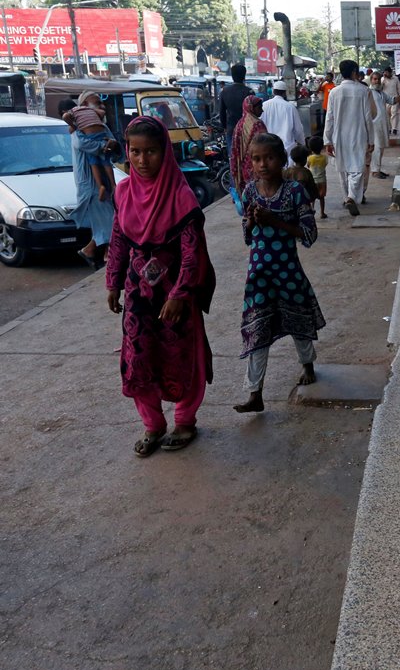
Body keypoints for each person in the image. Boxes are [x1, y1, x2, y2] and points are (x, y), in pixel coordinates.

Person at [105, 116, 216, 456]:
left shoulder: (181, 196)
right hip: (139, 294)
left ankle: (185, 420)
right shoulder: (123, 192)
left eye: (150, 151)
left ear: (164, 152)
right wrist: (113, 282)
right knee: (138, 357)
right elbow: (119, 239)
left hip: (175, 296)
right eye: (135, 152)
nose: (142, 160)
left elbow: (191, 252)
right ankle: (153, 425)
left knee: (182, 356)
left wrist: (181, 293)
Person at [234, 133, 325, 414]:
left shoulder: (295, 191)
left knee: (298, 322)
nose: (263, 165)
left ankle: (308, 364)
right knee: (257, 330)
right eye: (257, 159)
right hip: (259, 275)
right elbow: (248, 236)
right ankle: (254, 393)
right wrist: (251, 221)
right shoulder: (249, 191)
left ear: (282, 160)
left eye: (269, 158)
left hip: (288, 271)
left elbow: (309, 234)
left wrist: (276, 221)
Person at [65, 94, 117, 271]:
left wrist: (111, 145)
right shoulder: (78, 130)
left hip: (104, 178)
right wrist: (104, 146)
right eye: (98, 102)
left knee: (106, 219)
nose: (102, 106)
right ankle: (108, 255)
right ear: (85, 104)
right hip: (91, 183)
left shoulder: (100, 126)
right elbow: (84, 145)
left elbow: (115, 145)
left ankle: (92, 251)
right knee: (109, 219)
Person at [323, 59, 375, 216]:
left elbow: (329, 118)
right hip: (359, 134)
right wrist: (371, 140)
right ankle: (351, 197)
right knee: (357, 168)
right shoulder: (363, 91)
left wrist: (327, 140)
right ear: (354, 72)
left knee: (342, 168)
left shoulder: (334, 92)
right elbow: (368, 117)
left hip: (339, 136)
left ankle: (347, 198)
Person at [260, 80, 305, 166]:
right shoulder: (290, 107)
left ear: (273, 91)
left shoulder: (264, 106)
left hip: (268, 147)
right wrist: (302, 143)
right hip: (287, 150)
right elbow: (298, 130)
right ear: (285, 93)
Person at [219, 63, 255, 168]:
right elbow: (254, 113)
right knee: (248, 158)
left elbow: (221, 113)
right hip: (247, 129)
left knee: (233, 158)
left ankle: (234, 183)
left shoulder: (224, 91)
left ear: (232, 75)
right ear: (244, 76)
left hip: (231, 129)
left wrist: (225, 127)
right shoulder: (249, 92)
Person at [229, 95, 267, 192]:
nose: (262, 111)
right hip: (257, 168)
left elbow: (234, 151)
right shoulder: (258, 124)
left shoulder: (239, 124)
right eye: (260, 108)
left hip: (243, 169)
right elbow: (266, 146)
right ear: (251, 108)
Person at [368, 72, 393, 179]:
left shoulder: (381, 93)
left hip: (382, 123)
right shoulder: (368, 93)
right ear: (371, 80)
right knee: (377, 147)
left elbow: (392, 100)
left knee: (381, 147)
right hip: (374, 124)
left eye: (378, 79)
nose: (376, 81)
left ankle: (377, 169)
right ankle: (374, 171)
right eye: (374, 79)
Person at [305, 136, 329, 219]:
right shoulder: (324, 158)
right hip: (322, 180)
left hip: (312, 180)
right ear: (322, 147)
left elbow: (308, 166)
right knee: (322, 197)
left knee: (312, 197)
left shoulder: (309, 158)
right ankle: (322, 213)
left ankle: (312, 210)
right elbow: (325, 164)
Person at [381, 66, 400, 135]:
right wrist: (383, 80)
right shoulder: (382, 79)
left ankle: (394, 128)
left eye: (387, 73)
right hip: (385, 99)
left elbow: (399, 88)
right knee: (387, 115)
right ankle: (389, 128)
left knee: (394, 113)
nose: (386, 74)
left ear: (390, 73)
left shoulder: (395, 79)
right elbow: (380, 88)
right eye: (385, 73)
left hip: (395, 98)